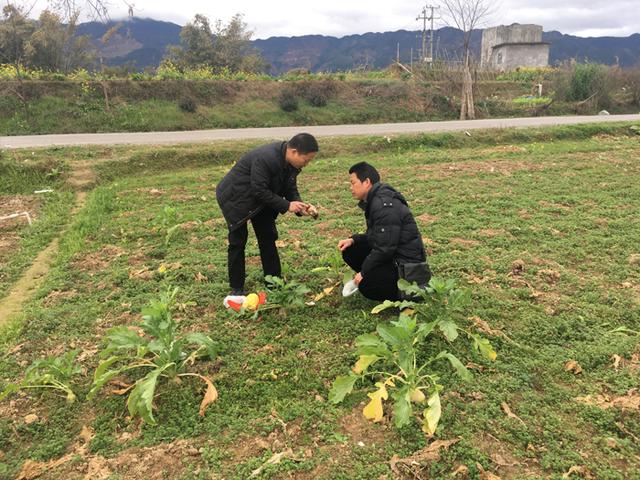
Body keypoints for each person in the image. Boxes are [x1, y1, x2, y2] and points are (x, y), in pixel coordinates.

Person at [216, 133, 319, 304]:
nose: (306, 164)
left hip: (261, 199)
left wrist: (301, 207)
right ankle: (236, 289)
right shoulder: (267, 158)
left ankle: (273, 283)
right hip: (236, 197)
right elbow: (259, 190)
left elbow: (289, 187)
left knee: (268, 237)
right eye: (306, 160)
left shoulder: (291, 164)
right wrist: (287, 206)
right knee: (238, 241)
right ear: (294, 152)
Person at [338, 161, 431, 301]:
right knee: (352, 249)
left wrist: (363, 273)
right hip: (394, 257)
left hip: (406, 267)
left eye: (353, 183)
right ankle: (380, 277)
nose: (351, 188)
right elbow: (377, 237)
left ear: (367, 182)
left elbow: (385, 248)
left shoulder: (384, 205)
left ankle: (410, 294)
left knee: (367, 285)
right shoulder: (376, 200)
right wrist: (353, 239)